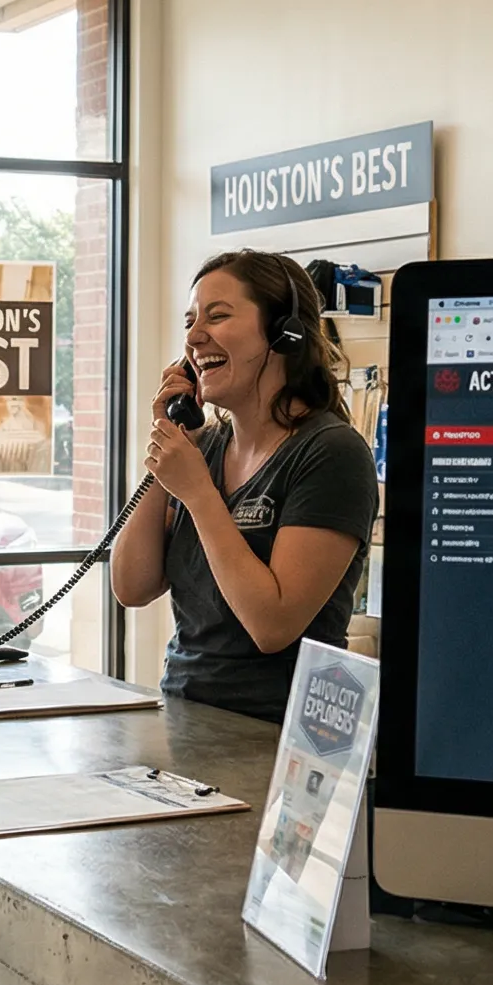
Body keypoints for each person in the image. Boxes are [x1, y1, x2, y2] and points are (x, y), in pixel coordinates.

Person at [110, 250, 379, 723]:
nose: (194, 338)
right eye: (191, 321)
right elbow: (132, 586)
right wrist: (169, 444)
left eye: (218, 316)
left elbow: (272, 624)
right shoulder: (205, 448)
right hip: (188, 720)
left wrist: (198, 495)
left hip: (281, 734)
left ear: (283, 332)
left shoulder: (332, 453)